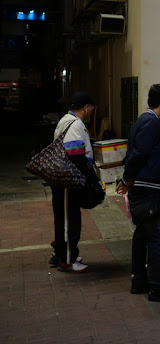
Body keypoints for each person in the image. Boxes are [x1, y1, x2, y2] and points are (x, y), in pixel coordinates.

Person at [117, 84, 160, 302]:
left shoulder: (140, 122)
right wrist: (126, 178)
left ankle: (139, 281)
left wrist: (128, 179)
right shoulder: (151, 123)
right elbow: (139, 154)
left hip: (141, 190)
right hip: (148, 191)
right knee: (155, 239)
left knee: (142, 236)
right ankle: (158, 288)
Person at [50, 91, 97, 273]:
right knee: (69, 219)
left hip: (64, 180)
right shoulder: (75, 125)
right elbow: (76, 155)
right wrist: (87, 176)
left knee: (64, 217)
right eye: (91, 108)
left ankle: (63, 253)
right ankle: (67, 259)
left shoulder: (66, 120)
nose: (91, 111)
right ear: (86, 107)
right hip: (69, 181)